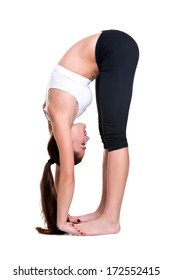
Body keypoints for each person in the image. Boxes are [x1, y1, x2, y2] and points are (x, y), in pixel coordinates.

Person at [36, 29, 139, 236]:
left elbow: (67, 176)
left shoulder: (59, 117)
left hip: (113, 47)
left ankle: (111, 219)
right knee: (108, 137)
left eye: (82, 145)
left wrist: (61, 224)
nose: (86, 138)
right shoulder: (56, 124)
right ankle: (103, 210)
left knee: (115, 135)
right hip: (108, 54)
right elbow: (60, 165)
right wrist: (61, 214)